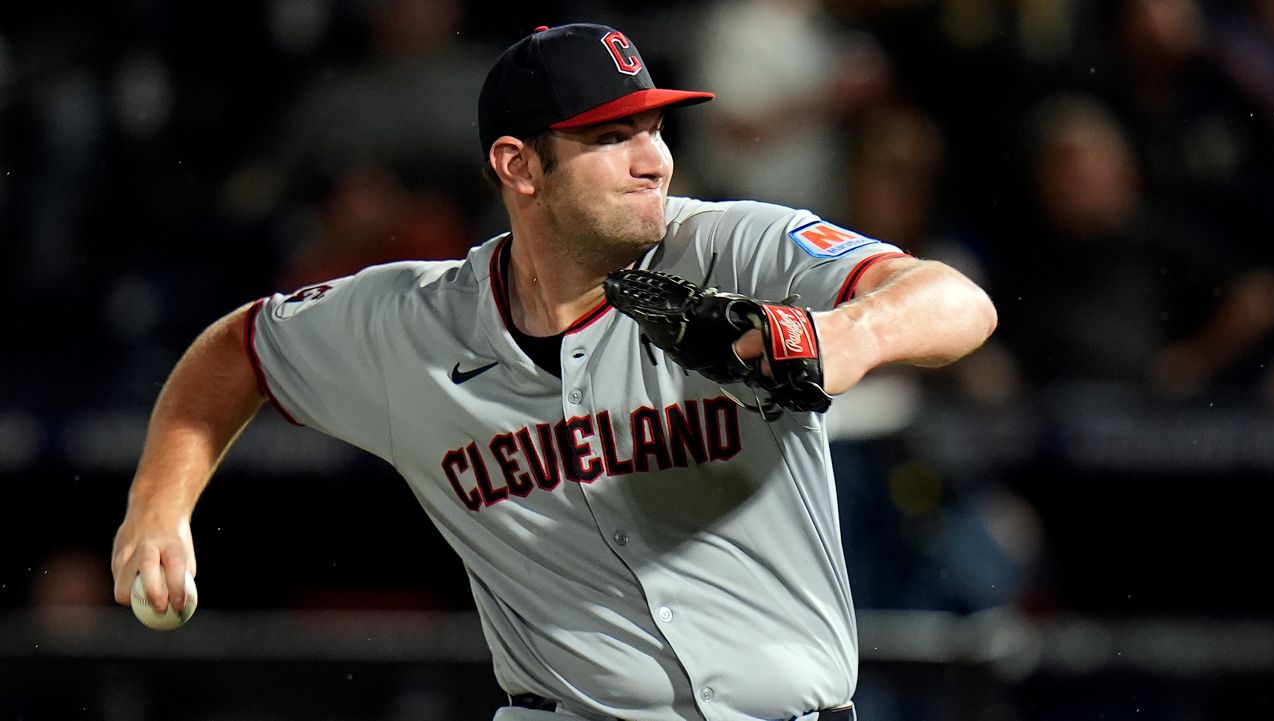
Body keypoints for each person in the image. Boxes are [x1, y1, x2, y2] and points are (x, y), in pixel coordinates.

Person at [111, 22, 997, 721]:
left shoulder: (731, 248)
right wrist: (159, 505)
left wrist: (839, 336)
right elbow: (240, 348)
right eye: (613, 136)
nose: (656, 158)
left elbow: (958, 302)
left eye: (655, 127)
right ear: (518, 166)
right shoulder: (411, 324)